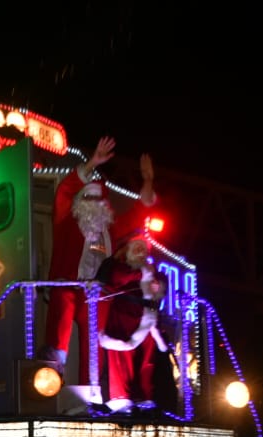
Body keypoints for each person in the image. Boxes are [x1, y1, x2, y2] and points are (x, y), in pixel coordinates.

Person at [43, 136, 156, 402]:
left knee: (93, 345)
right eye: (88, 196)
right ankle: (49, 382)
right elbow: (65, 191)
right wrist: (93, 162)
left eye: (99, 198)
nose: (94, 202)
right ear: (79, 201)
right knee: (59, 328)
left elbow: (140, 211)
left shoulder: (111, 229)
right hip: (68, 285)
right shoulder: (65, 219)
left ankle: (86, 399)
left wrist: (148, 181)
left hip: (98, 293)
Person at [95, 227, 170, 415]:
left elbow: (160, 286)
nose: (139, 250)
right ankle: (121, 398)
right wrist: (140, 275)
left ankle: (145, 397)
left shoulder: (152, 271)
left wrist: (157, 284)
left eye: (142, 248)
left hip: (148, 318)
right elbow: (115, 279)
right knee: (121, 358)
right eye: (136, 246)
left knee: (146, 361)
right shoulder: (122, 267)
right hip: (123, 317)